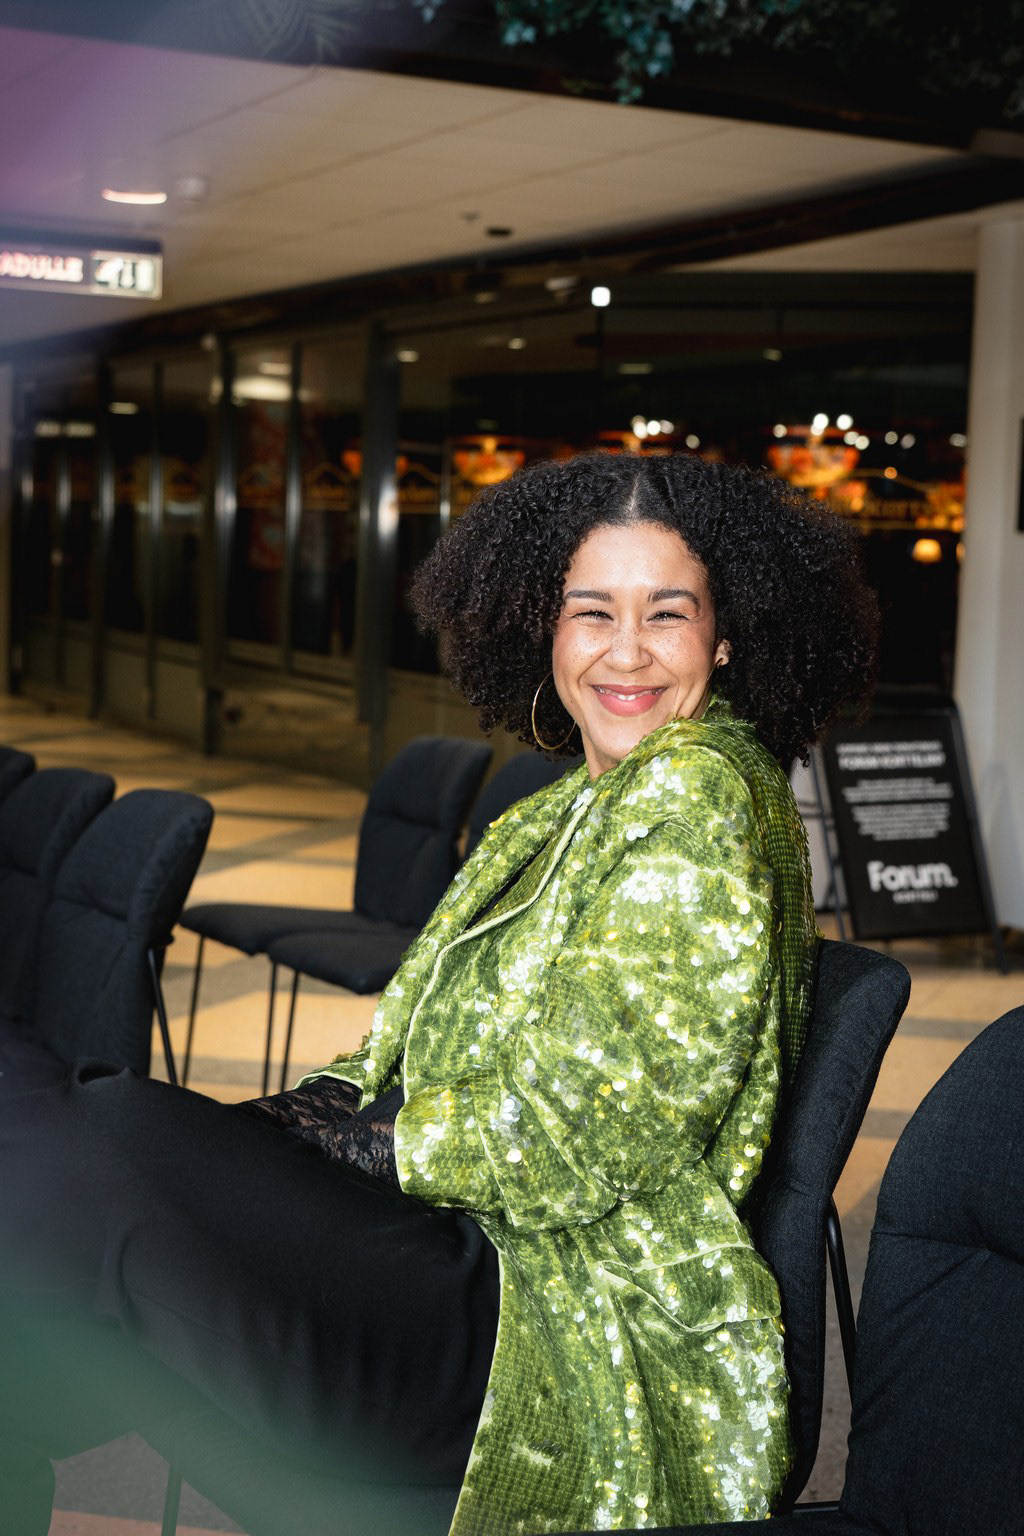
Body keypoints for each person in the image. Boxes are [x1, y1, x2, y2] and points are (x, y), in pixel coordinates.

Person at [0, 450, 878, 1535]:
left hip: (553, 1320)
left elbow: (585, 1134)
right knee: (69, 1181)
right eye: (591, 612)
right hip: (449, 1239)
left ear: (726, 636)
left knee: (83, 1137)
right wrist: (286, 1129)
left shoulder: (697, 796)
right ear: (544, 628)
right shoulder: (561, 807)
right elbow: (394, 1052)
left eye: (668, 614)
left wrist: (340, 1146)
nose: (626, 651)